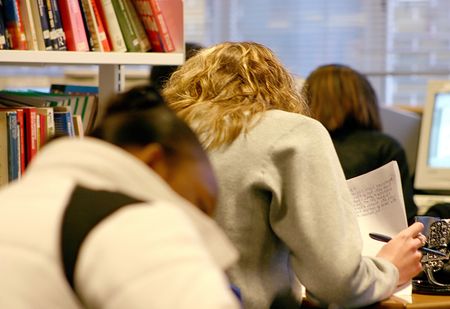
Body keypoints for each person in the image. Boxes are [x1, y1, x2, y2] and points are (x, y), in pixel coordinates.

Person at [163, 41, 425, 309]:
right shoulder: (291, 132)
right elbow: (337, 285)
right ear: (279, 86)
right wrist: (390, 268)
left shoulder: (163, 138)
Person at [0, 85, 240, 308]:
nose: (203, 223)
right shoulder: (136, 222)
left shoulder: (11, 202)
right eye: (199, 205)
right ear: (154, 164)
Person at [301, 64, 418, 224]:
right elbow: (406, 219)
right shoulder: (383, 147)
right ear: (365, 100)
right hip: (373, 245)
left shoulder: (298, 144)